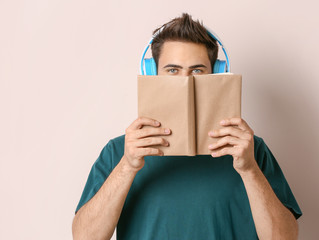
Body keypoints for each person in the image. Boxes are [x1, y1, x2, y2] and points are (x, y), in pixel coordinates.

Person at [72, 13, 302, 240]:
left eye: (197, 71)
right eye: (172, 70)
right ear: (152, 75)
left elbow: (285, 238)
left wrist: (250, 169)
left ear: (217, 74)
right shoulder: (118, 151)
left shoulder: (250, 149)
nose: (186, 81)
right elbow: (84, 237)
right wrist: (127, 166)